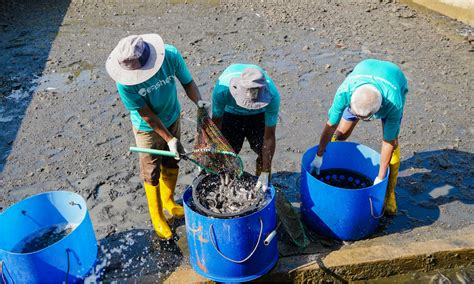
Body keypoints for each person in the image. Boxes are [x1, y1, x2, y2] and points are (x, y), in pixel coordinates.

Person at [106, 34, 210, 239]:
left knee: (173, 160)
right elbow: (146, 114)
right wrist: (169, 139)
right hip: (146, 127)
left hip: (172, 115)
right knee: (151, 170)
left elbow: (188, 83)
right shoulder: (124, 83)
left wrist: (199, 103)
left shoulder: (170, 55)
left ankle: (169, 201)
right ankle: (157, 216)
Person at [310, 59, 408, 215]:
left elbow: (387, 142)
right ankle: (331, 158)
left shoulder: (393, 104)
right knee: (340, 133)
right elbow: (330, 125)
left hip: (394, 79)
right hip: (364, 75)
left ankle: (389, 193)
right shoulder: (345, 91)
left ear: (373, 115)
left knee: (393, 140)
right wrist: (319, 155)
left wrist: (380, 178)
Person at [211, 64, 280, 192]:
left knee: (262, 149)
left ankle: (261, 179)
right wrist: (212, 156)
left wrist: (266, 170)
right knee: (229, 151)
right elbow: (215, 130)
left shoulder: (272, 96)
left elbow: (269, 136)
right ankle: (227, 182)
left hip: (258, 115)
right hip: (231, 113)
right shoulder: (222, 90)